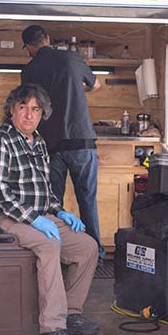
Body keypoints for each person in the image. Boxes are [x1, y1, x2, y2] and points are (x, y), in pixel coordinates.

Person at [0, 83, 100, 335]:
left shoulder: (39, 142)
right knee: (48, 244)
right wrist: (35, 218)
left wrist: (60, 210)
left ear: (42, 114)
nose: (29, 115)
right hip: (4, 217)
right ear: (11, 110)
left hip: (40, 215)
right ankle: (53, 329)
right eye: (23, 108)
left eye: (35, 109)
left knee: (87, 246)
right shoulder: (0, 140)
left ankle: (72, 313)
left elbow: (44, 190)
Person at [19, 25, 104, 257]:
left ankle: (58, 252)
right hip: (81, 141)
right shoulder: (71, 58)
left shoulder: (28, 71)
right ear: (47, 38)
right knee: (87, 200)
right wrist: (77, 90)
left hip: (51, 145)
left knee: (52, 202)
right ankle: (94, 253)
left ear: (28, 47)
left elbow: (27, 105)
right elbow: (96, 84)